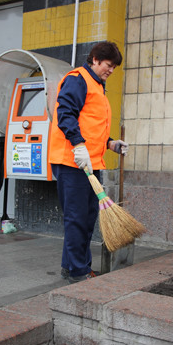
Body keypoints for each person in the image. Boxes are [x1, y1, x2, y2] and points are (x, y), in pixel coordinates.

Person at [48, 41, 128, 283]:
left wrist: (111, 143)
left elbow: (92, 128)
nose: (111, 70)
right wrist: (78, 144)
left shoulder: (97, 86)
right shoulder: (78, 79)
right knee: (77, 217)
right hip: (72, 161)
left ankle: (69, 266)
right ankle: (79, 272)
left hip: (89, 163)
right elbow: (65, 114)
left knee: (85, 217)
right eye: (108, 65)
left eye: (114, 67)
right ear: (95, 59)